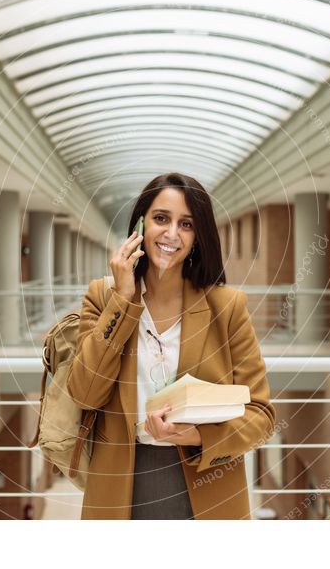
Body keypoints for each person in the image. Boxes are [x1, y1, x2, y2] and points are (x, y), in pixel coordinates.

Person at [67, 172, 276, 520]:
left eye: (187, 224)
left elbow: (262, 416)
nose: (171, 234)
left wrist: (199, 436)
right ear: (140, 225)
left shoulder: (227, 307)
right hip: (120, 489)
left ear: (198, 236)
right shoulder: (104, 298)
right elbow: (85, 392)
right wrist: (123, 300)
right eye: (161, 218)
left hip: (207, 484)